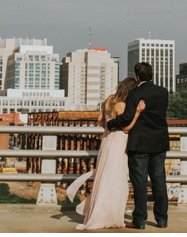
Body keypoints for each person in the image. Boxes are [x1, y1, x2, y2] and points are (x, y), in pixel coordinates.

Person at [67, 78, 146, 231]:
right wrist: (137, 113)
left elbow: (100, 120)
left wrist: (108, 129)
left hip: (107, 139)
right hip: (119, 141)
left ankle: (98, 212)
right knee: (115, 176)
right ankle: (108, 214)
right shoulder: (122, 105)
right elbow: (126, 129)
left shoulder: (109, 99)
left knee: (104, 174)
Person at [107, 62, 169, 230]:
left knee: (140, 183)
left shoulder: (135, 93)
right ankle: (162, 219)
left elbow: (127, 118)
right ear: (152, 75)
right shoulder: (163, 92)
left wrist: (111, 123)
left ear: (137, 77)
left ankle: (140, 220)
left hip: (140, 143)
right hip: (159, 142)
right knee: (159, 181)